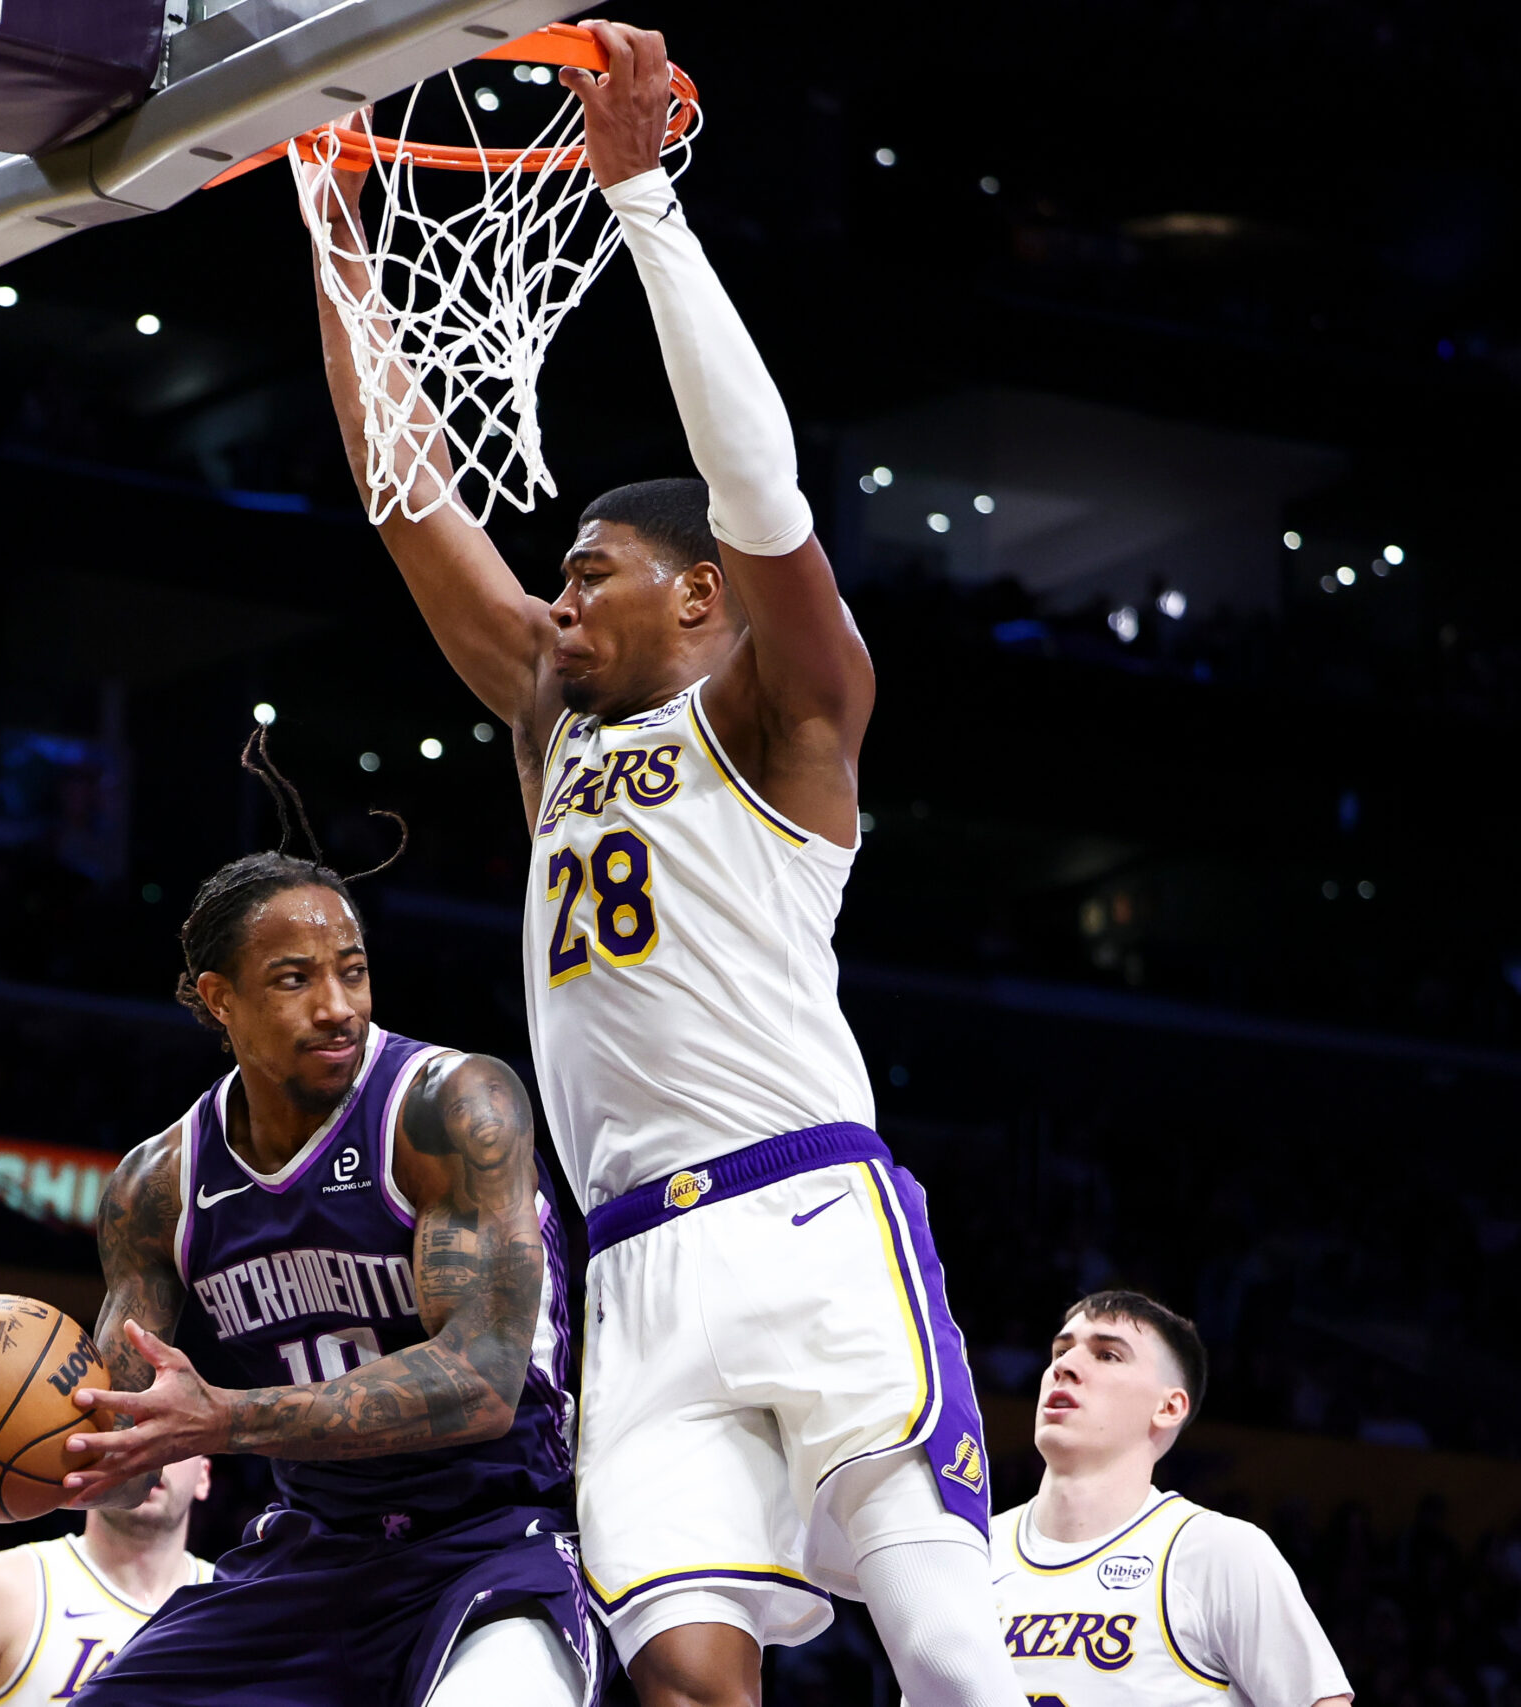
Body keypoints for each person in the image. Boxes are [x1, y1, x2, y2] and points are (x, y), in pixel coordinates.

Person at [300, 21, 1015, 1707]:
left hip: (808, 1215)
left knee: (957, 1668)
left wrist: (642, 207)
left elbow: (760, 488)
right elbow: (412, 503)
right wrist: (336, 238)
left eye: (592, 567)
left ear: (700, 593)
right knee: (688, 1683)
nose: (559, 600)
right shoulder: (556, 733)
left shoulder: (791, 714)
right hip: (629, 1265)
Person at [0, 736, 590, 1707]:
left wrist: (222, 1418)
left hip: (500, 1534)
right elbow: (116, 1448)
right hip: (319, 1558)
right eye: (296, 979)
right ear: (220, 1000)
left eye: (353, 969)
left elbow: (481, 1380)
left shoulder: (449, 1107)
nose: (338, 1006)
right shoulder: (156, 1187)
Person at [996, 1290, 1351, 1707]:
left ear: (1168, 1407)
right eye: (1060, 1350)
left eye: (1107, 1355)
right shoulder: (966, 1554)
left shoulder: (1217, 1552)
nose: (1065, 1366)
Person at [0, 1457, 213, 1706]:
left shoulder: (239, 1602)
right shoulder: (1, 1588)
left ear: (204, 1477)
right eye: (133, 1427)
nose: (151, 1454)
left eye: (174, 1438)